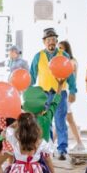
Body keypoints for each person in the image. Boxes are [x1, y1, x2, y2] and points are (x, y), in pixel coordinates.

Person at [30, 28, 77, 160]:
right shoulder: (38, 56)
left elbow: (70, 75)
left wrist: (73, 90)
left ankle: (62, 149)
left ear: (56, 41)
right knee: (46, 123)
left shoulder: (64, 55)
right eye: (48, 40)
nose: (51, 42)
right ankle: (47, 149)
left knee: (60, 121)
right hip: (43, 94)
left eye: (53, 39)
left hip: (60, 93)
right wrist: (26, 89)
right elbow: (32, 76)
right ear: (44, 42)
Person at [58, 40, 84, 151]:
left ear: (66, 49)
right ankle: (54, 142)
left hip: (67, 92)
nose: (59, 50)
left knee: (67, 118)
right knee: (62, 117)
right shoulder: (67, 61)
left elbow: (70, 77)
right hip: (64, 91)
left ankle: (79, 143)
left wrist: (73, 93)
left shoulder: (71, 61)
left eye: (61, 48)